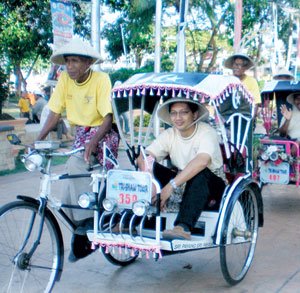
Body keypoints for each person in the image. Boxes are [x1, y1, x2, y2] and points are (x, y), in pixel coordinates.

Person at [37, 37, 119, 261]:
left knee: (74, 164)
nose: (70, 66)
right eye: (67, 61)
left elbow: (108, 117)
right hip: (81, 134)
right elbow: (54, 112)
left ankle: (86, 225)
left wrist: (93, 142)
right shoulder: (64, 79)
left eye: (74, 61)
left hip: (104, 132)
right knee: (66, 193)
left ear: (87, 63)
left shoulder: (102, 79)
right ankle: (83, 235)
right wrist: (38, 138)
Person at [137, 98, 226, 240]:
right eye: (173, 113)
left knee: (200, 172)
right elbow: (144, 156)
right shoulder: (170, 134)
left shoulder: (207, 132)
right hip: (182, 179)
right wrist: (150, 178)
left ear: (194, 115)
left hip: (211, 181)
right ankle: (128, 217)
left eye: (183, 113)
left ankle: (182, 227)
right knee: (149, 166)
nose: (178, 118)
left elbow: (202, 161)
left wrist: (169, 187)